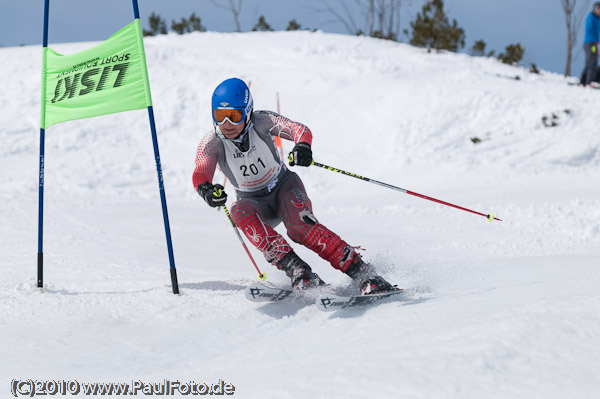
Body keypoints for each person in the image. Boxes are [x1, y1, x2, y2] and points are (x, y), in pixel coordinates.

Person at [192, 78, 397, 295]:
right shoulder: (211, 143)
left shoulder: (262, 121)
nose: (226, 124)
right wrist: (206, 189)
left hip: (283, 188)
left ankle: (364, 273)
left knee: (300, 228)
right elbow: (200, 172)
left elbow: (300, 129)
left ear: (248, 112)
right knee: (238, 212)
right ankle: (299, 272)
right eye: (219, 116)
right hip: (253, 202)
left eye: (234, 116)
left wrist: (302, 146)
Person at [581, 2, 600, 86]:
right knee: (592, 62)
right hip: (590, 43)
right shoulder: (591, 18)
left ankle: (584, 81)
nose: (598, 11)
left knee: (590, 62)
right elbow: (591, 30)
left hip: (594, 43)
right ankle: (588, 82)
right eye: (597, 8)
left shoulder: (597, 19)